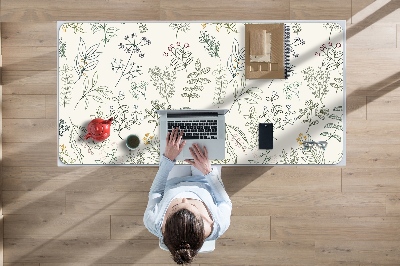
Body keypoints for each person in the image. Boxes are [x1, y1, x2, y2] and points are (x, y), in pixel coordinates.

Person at [144, 127, 232, 264]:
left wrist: (168, 159)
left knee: (172, 143)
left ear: (165, 224)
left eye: (176, 206)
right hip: (205, 180)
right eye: (192, 205)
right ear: (204, 222)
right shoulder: (220, 224)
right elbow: (224, 202)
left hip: (173, 181)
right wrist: (208, 172)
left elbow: (156, 192)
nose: (184, 198)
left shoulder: (153, 222)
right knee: (208, 140)